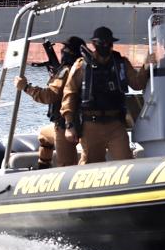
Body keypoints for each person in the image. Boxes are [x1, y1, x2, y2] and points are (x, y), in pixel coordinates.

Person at [61, 26, 154, 164]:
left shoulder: (121, 63)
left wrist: (146, 66)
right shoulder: (82, 65)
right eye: (101, 43)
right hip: (91, 125)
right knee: (89, 166)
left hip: (115, 124)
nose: (105, 46)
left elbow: (137, 83)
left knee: (126, 163)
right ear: (94, 44)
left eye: (108, 43)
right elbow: (69, 93)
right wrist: (69, 125)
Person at [15, 36, 85, 168]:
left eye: (65, 48)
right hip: (85, 122)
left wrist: (26, 87)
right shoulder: (84, 70)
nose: (62, 50)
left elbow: (49, 96)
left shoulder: (66, 71)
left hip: (66, 125)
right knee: (44, 135)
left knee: (66, 165)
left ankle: (47, 172)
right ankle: (43, 168)